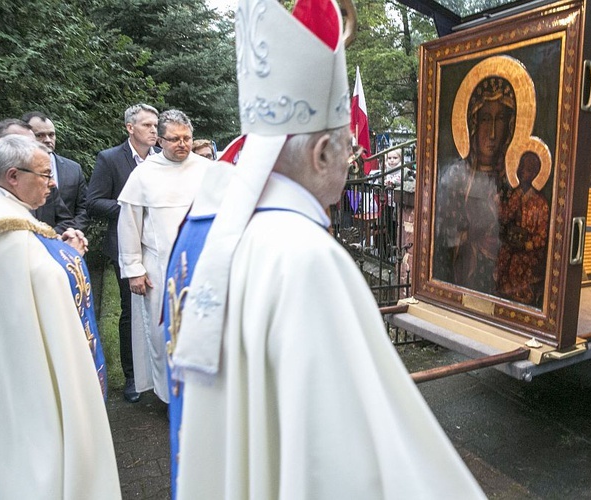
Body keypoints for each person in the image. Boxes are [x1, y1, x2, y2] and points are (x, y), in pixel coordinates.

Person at [170, 0, 486, 498]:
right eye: (349, 150)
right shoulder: (304, 257)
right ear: (321, 153)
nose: (355, 161)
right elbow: (342, 457)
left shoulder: (205, 227)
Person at [0, 135, 119, 498]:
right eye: (45, 176)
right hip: (27, 368)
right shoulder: (7, 232)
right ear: (13, 176)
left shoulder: (6, 214)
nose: (52, 184)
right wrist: (72, 256)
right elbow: (47, 282)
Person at [118, 109, 211, 404]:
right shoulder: (144, 173)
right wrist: (133, 268)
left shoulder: (207, 169)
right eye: (174, 139)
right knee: (163, 334)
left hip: (202, 264)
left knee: (202, 327)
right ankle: (169, 396)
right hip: (158, 267)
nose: (182, 144)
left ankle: (203, 394)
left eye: (187, 138)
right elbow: (129, 224)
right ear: (160, 140)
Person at [87, 103, 159, 403]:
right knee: (130, 310)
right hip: (125, 245)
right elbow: (94, 201)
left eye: (156, 125)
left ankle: (158, 374)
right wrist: (130, 208)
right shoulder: (110, 159)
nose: (154, 130)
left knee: (160, 309)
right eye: (147, 125)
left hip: (158, 245)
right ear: (130, 128)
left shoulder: (162, 160)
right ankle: (132, 377)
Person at [433, 75, 517, 294]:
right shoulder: (457, 177)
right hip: (467, 278)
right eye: (485, 120)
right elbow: (445, 237)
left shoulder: (513, 180)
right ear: (472, 124)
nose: (492, 133)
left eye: (499, 120)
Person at [497, 151, 550, 307]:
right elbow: (505, 216)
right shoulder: (516, 194)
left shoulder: (540, 203)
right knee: (503, 255)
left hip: (531, 251)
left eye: (525, 168)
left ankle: (520, 300)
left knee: (516, 262)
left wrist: (527, 245)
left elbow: (542, 236)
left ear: (534, 173)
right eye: (520, 167)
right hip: (514, 244)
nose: (520, 171)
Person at [22, 111, 89, 231]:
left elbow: (84, 207)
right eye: (40, 135)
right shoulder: (19, 171)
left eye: (51, 135)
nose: (47, 140)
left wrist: (71, 233)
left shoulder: (73, 169)